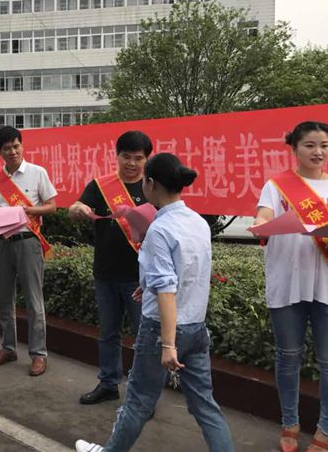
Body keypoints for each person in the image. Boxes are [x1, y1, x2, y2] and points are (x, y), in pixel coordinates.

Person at [76, 153, 233, 452]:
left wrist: (168, 344)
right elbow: (189, 272)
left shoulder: (159, 230)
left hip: (162, 330)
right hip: (196, 327)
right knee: (205, 406)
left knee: (137, 402)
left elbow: (167, 289)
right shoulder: (198, 222)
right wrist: (147, 286)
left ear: (151, 184)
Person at [253, 121, 328, 452]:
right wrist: (262, 225)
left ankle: (326, 430)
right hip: (288, 282)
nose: (318, 152)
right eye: (310, 145)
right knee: (288, 357)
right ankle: (290, 422)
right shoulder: (277, 186)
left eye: (324, 145)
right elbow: (262, 218)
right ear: (294, 148)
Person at [69, 131, 152, 404]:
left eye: (138, 158)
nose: (132, 163)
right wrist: (78, 208)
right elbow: (76, 207)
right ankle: (108, 383)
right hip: (105, 273)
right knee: (108, 333)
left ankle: (144, 394)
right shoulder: (101, 186)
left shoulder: (152, 188)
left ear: (147, 159)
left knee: (144, 337)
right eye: (126, 157)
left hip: (141, 278)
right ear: (116, 156)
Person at [0, 126, 57, 377]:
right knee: (4, 299)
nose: (12, 151)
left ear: (22, 146)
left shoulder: (37, 173)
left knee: (33, 300)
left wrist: (29, 211)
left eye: (16, 146)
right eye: (7, 148)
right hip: (2, 242)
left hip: (28, 242)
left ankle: (39, 354)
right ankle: (8, 348)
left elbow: (52, 206)